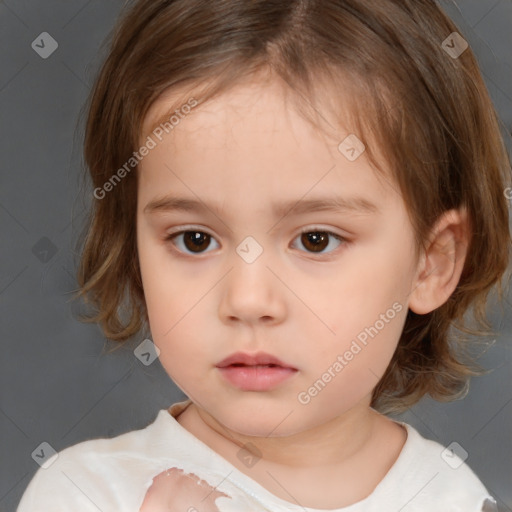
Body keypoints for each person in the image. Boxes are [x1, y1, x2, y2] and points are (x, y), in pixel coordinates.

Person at [17, 0, 511, 510]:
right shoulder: (87, 493)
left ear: (432, 262)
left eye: (316, 240)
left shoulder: (454, 498)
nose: (248, 300)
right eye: (195, 239)